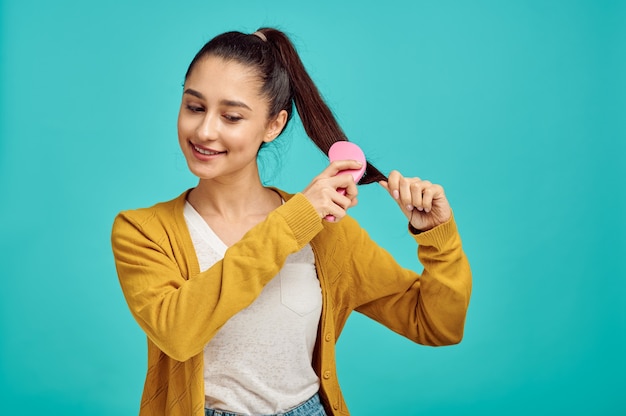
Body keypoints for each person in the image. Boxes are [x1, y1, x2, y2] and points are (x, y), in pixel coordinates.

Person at [111, 27, 472, 416]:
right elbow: (177, 332)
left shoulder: (325, 232)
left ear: (274, 125)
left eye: (231, 116)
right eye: (194, 107)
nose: (205, 130)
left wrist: (436, 236)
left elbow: (436, 324)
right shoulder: (142, 231)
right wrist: (294, 220)